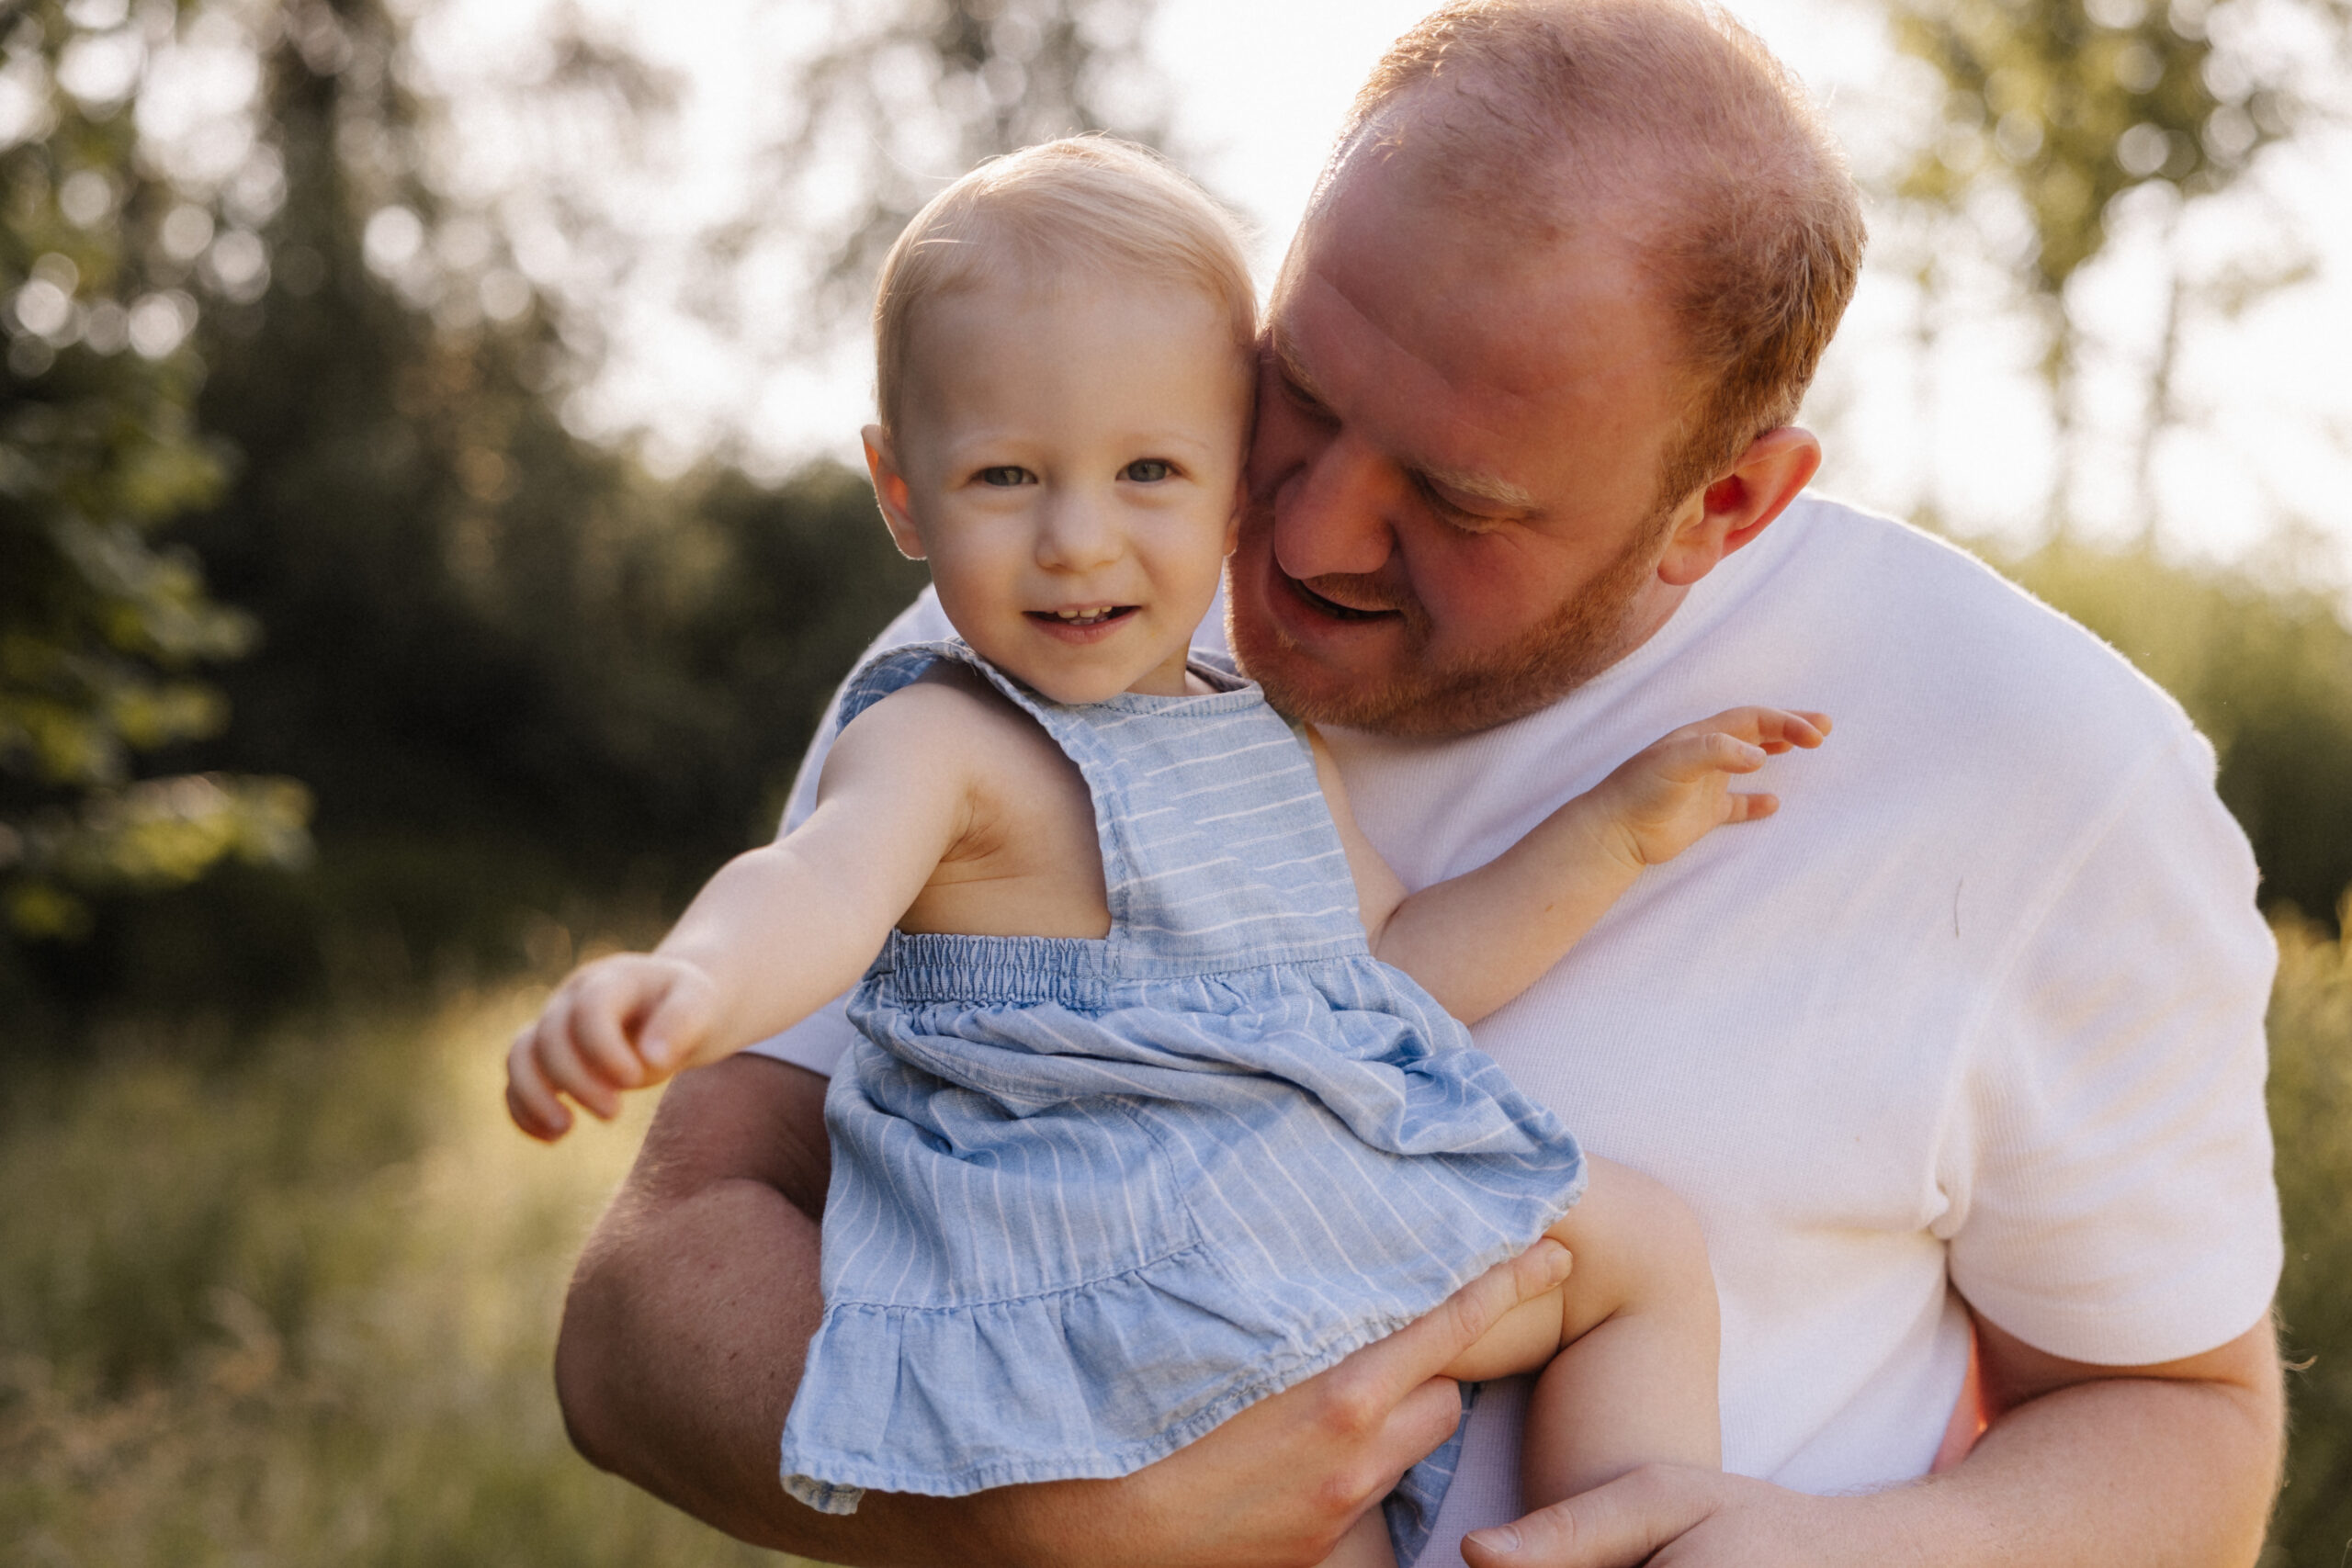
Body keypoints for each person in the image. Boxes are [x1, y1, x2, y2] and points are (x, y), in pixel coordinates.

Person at [550, 2, 2287, 1564]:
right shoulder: (1052, 628)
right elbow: (644, 1307)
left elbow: (2186, 1423)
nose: (1292, 534)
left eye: (1458, 500)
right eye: (1295, 390)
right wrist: (1046, 1522)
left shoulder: (2048, 773)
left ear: (1725, 506)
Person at [508, 135, 1834, 1567]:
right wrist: (693, 983)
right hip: (1102, 1280)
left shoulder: (1260, 731)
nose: (1080, 541)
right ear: (903, 492)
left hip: (1272, 1238)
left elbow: (1396, 969)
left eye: (1149, 471)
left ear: (1239, 484)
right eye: (1008, 476)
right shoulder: (947, 735)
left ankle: (1620, 1538)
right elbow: (821, 885)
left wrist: (1615, 834)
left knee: (1637, 1253)